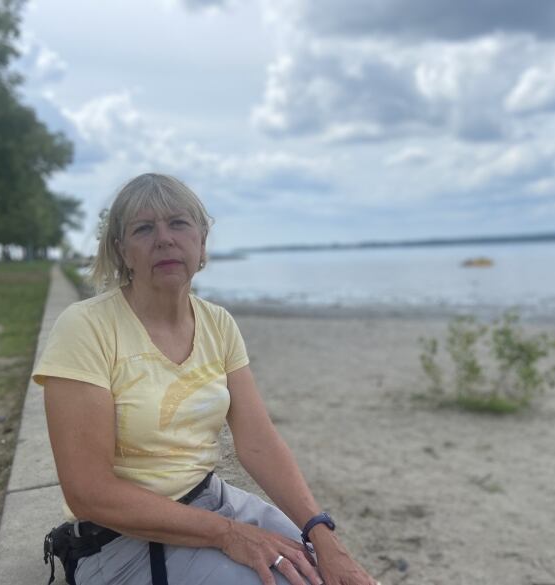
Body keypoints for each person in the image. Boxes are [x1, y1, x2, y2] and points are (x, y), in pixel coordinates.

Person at [33, 173, 377, 585]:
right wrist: (229, 534)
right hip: (119, 538)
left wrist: (322, 533)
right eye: (144, 228)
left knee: (337, 575)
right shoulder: (86, 328)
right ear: (122, 251)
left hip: (210, 499)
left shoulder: (218, 323)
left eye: (178, 223)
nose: (164, 239)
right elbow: (88, 491)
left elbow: (258, 442)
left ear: (202, 241)